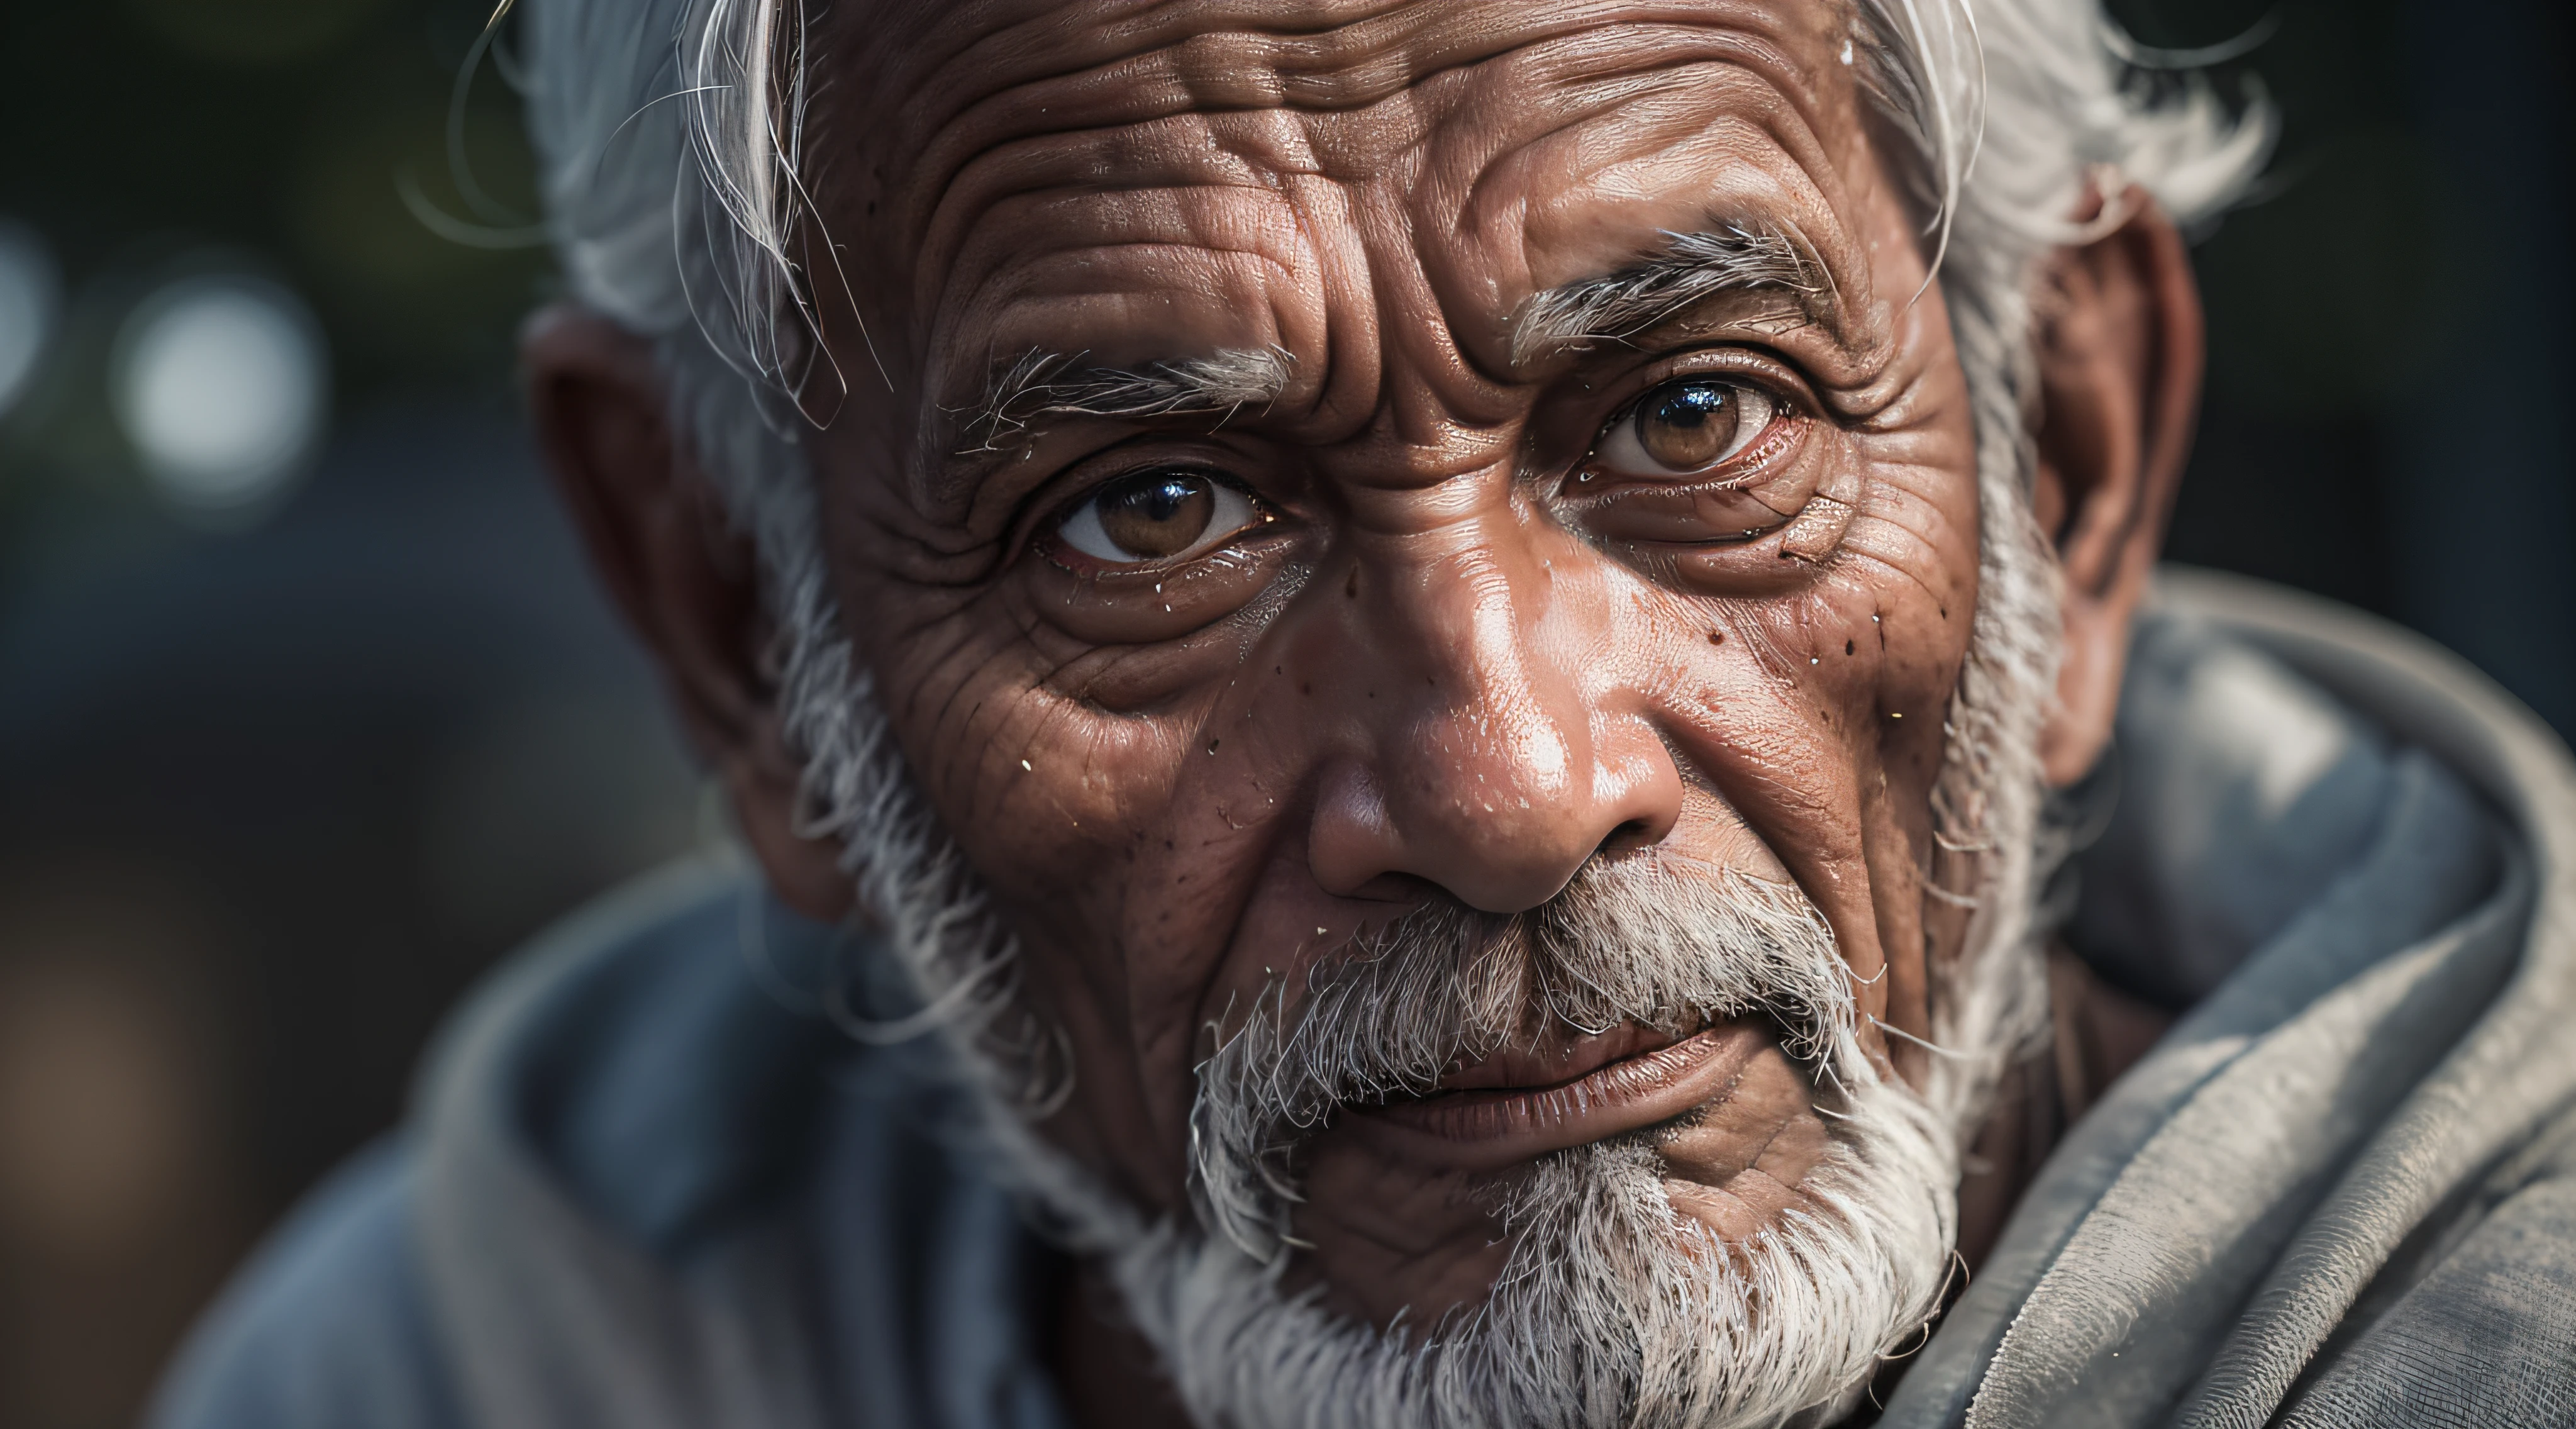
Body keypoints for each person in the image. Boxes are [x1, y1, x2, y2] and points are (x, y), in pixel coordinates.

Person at [150, 1, 2576, 1426]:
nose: (1508, 787)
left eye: (1698, 417)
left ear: (2064, 457)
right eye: (1153, 509)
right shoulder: (460, 1366)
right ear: (732, 633)